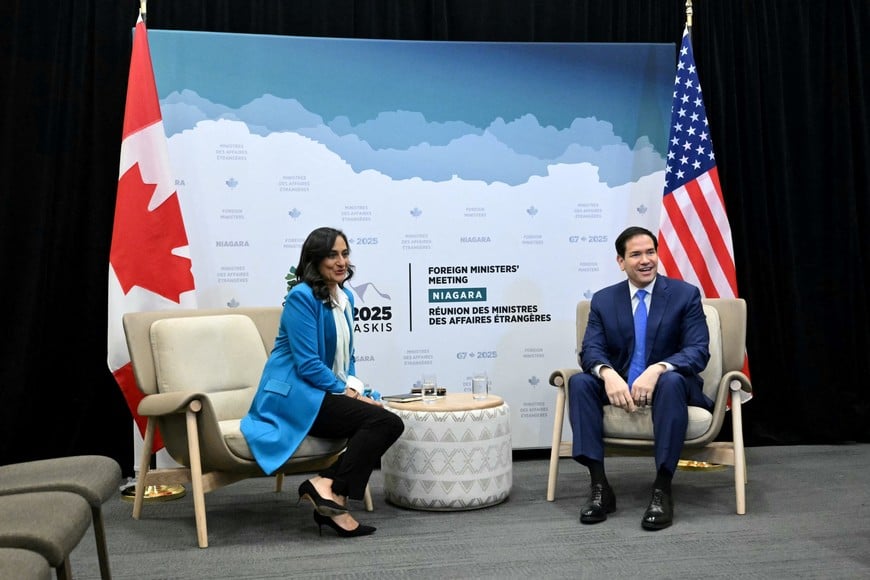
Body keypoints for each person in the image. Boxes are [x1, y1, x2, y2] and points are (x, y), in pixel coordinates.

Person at [241, 226, 404, 538]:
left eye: (345, 254)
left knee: (385, 419)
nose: (341, 261)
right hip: (292, 396)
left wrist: (357, 390)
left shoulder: (344, 299)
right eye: (332, 255)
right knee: (385, 422)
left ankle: (328, 489)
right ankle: (329, 488)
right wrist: (350, 396)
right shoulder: (301, 297)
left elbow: (347, 357)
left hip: (321, 392)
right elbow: (308, 364)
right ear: (314, 260)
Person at [567, 226, 712, 530]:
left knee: (670, 382)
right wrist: (608, 374)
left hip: (671, 386)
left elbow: (698, 351)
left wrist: (658, 369)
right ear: (621, 261)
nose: (645, 260)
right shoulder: (605, 301)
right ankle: (599, 487)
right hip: (621, 386)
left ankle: (662, 488)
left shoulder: (684, 295)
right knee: (580, 383)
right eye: (636, 254)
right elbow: (591, 350)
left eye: (650, 252)